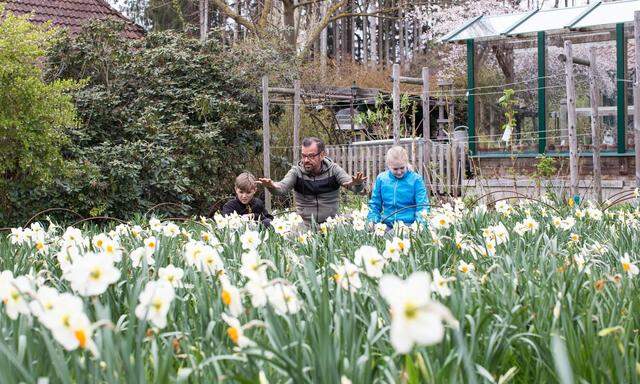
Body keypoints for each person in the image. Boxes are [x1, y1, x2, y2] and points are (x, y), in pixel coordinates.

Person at [258, 137, 366, 227]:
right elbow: (281, 188)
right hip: (305, 226)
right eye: (304, 156)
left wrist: (357, 184)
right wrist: (271, 186)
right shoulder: (296, 172)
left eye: (310, 156)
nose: (306, 160)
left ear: (322, 155)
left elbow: (353, 186)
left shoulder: (334, 170)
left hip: (331, 224)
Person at [367, 146, 429, 227]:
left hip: (409, 224)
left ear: (406, 163)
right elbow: (375, 204)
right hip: (387, 224)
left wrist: (420, 226)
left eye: (402, 168)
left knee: (392, 235)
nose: (399, 172)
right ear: (388, 166)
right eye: (395, 169)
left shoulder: (416, 180)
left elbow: (422, 206)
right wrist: (373, 221)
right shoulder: (382, 179)